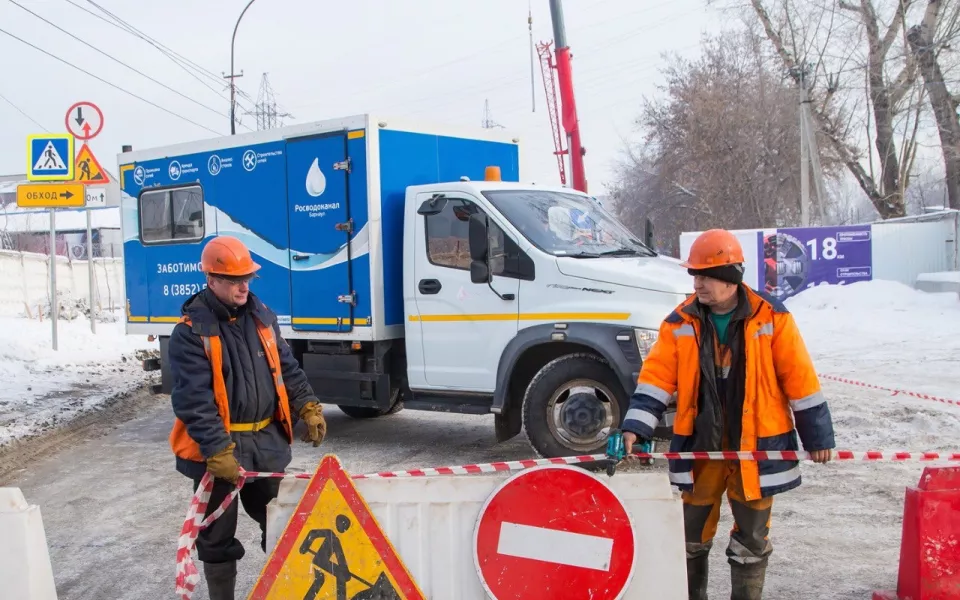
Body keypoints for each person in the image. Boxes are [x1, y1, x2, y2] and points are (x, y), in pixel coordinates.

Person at [620, 229, 835, 600]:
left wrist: (818, 438)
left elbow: (799, 379)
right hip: (701, 449)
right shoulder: (679, 323)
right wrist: (635, 427)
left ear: (731, 277)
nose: (697, 283)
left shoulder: (773, 318)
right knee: (690, 536)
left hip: (755, 449)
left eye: (705, 275)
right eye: (695, 275)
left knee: (751, 540)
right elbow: (656, 380)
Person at [168, 235, 328, 600]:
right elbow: (194, 400)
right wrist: (217, 450)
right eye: (235, 279)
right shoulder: (190, 333)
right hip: (222, 452)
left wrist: (308, 405)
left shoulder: (262, 318)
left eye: (248, 278)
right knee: (217, 538)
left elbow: (287, 368)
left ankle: (287, 590)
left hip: (266, 443)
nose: (244, 286)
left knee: (282, 523)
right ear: (211, 280)